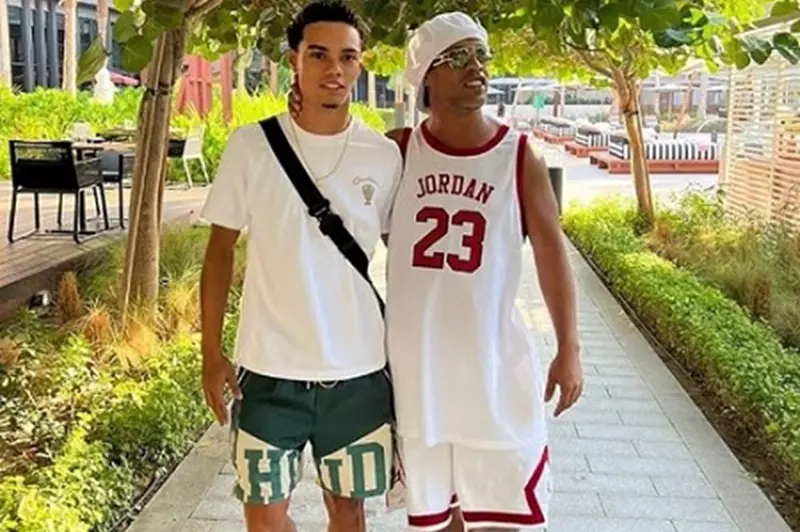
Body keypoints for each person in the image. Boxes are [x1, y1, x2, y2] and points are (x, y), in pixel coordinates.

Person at [289, 11, 583, 532]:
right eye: (458, 57)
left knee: (504, 517)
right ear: (426, 75)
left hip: (493, 370)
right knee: (440, 518)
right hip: (418, 372)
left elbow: (552, 255)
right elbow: (337, 193)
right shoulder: (399, 151)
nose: (477, 67)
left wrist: (569, 348)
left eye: (481, 55)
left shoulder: (519, 157)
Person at [199, 2, 402, 531]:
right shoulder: (251, 146)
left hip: (356, 371)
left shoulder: (381, 156)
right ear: (294, 59)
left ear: (360, 64)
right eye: (319, 54)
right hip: (268, 372)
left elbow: (405, 259)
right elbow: (219, 251)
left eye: (347, 57)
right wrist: (210, 351)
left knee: (349, 515)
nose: (334, 69)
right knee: (264, 520)